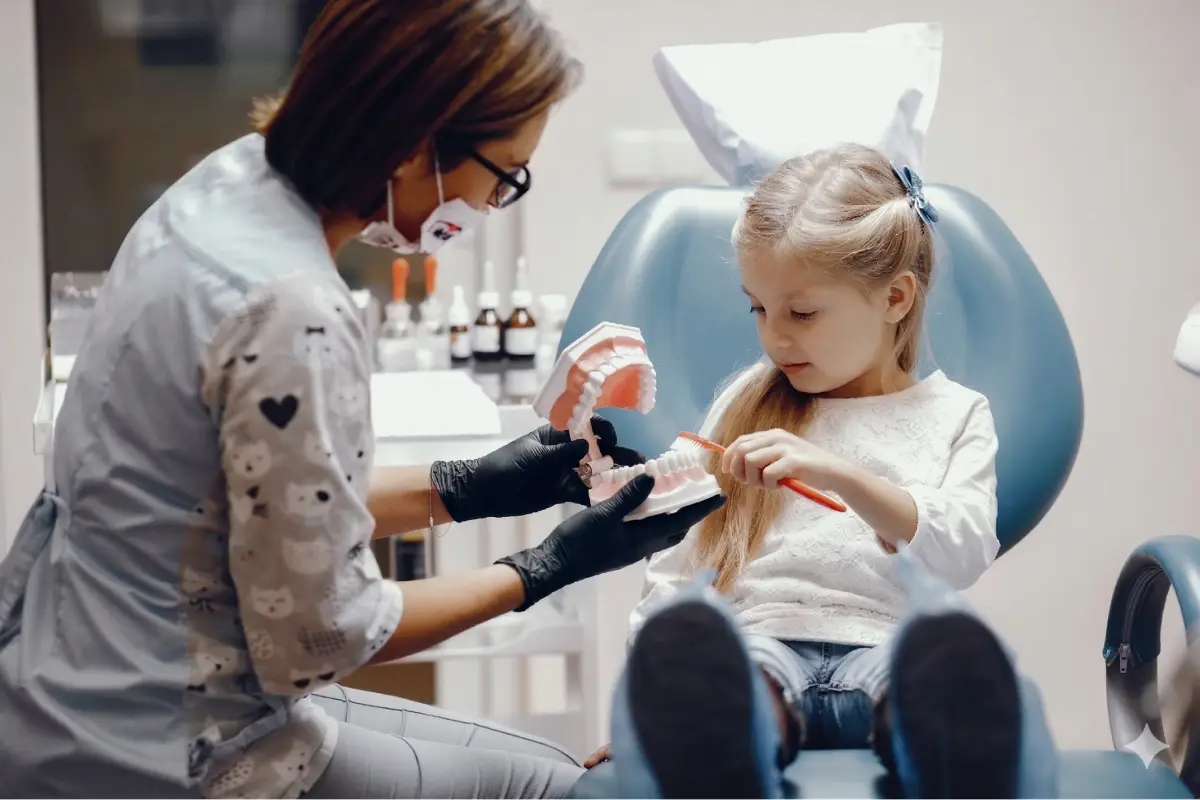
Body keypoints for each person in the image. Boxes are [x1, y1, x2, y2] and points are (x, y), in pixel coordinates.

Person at [0, 1, 723, 798]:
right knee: (573, 788)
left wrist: (464, 488)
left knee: (543, 759)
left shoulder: (220, 187)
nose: (494, 205)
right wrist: (549, 566)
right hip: (169, 748)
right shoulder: (293, 312)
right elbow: (320, 637)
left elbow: (251, 511)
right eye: (504, 176)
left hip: (69, 681)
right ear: (416, 145)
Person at [584, 144, 1025, 797]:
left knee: (937, 689)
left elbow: (960, 555)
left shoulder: (957, 415)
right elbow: (677, 569)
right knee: (720, 686)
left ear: (895, 298)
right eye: (758, 309)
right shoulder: (745, 403)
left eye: (802, 312)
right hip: (760, 645)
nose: (775, 337)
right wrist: (647, 711)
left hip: (886, 647)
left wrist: (840, 474)